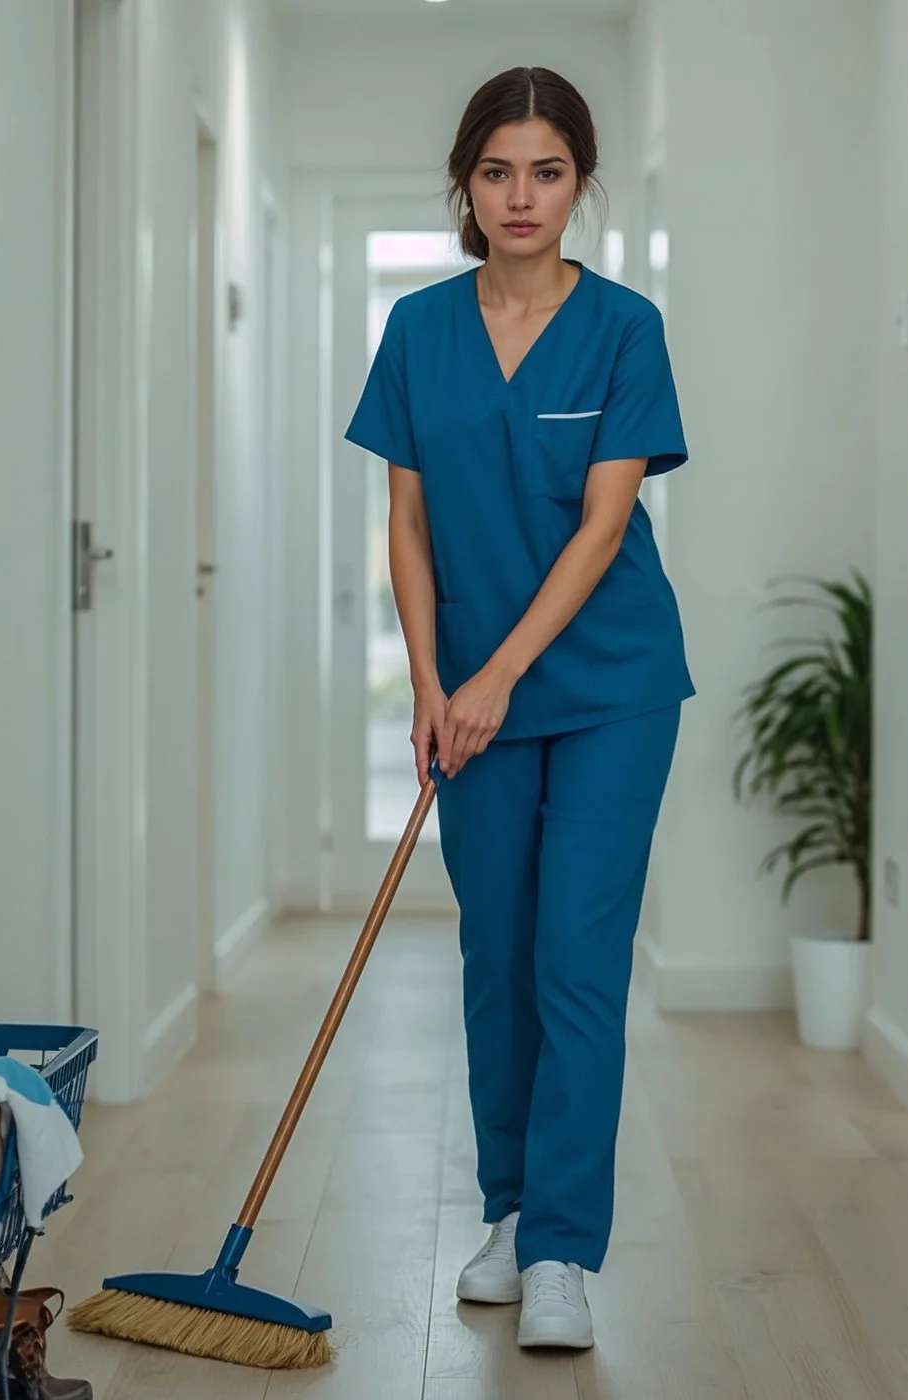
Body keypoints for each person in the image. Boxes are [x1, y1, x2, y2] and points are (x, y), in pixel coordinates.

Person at [342, 66, 691, 1352]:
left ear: (579, 182)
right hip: (469, 699)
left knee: (575, 961)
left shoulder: (623, 328)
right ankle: (509, 1211)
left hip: (608, 687)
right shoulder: (418, 329)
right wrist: (433, 681)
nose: (520, 196)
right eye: (496, 172)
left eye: (546, 171)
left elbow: (604, 526)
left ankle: (560, 1250)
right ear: (466, 184)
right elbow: (408, 520)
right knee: (496, 962)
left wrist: (495, 675)